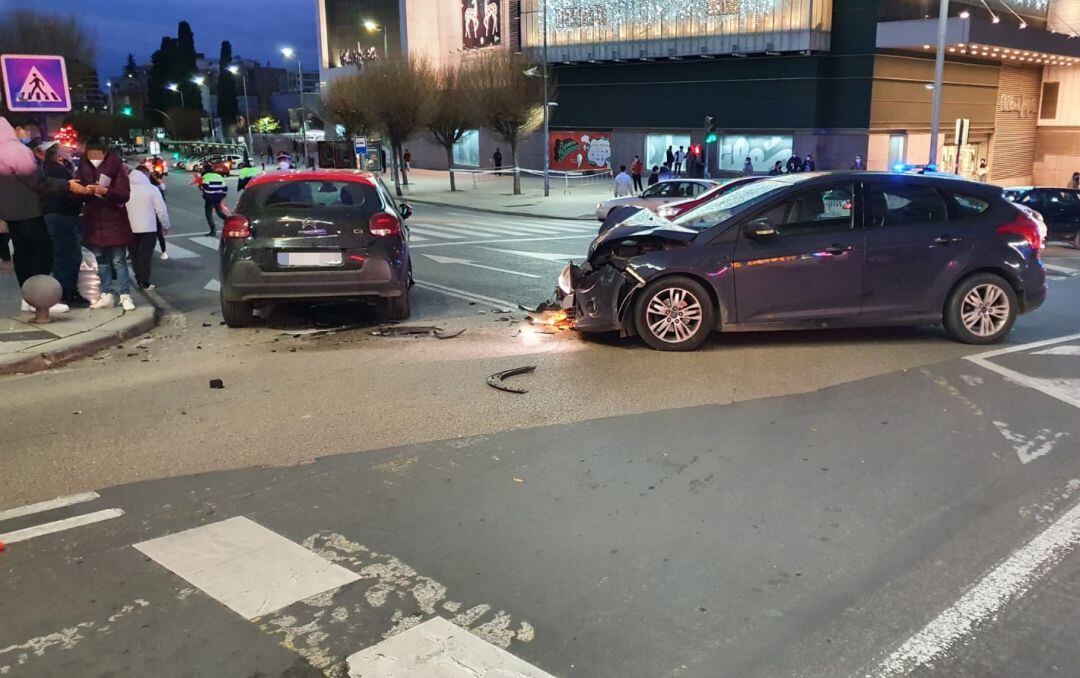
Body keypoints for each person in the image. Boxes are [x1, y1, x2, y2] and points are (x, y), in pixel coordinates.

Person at [0, 117, 88, 314]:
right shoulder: (14, 151)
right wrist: (68, 185)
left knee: (23, 254)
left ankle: (28, 298)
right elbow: (37, 182)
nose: (24, 134)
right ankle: (41, 298)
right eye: (22, 130)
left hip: (10, 212)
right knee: (44, 251)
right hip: (27, 210)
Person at [76, 137, 135, 311]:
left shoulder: (115, 167)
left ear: (105, 153)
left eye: (97, 155)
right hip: (94, 219)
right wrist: (85, 191)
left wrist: (106, 191)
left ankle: (125, 295)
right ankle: (106, 293)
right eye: (90, 155)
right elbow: (78, 190)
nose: (94, 158)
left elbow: (124, 194)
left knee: (119, 260)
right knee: (101, 260)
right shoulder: (83, 167)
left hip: (114, 219)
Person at [40, 142, 86, 306]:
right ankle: (68, 292)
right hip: (63, 217)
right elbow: (68, 196)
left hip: (50, 217)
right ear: (57, 155)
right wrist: (83, 195)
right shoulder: (60, 171)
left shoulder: (44, 170)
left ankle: (63, 292)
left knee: (60, 255)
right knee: (71, 256)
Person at [128, 166, 170, 290]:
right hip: (148, 228)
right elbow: (161, 210)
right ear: (145, 175)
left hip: (130, 227)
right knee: (145, 255)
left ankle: (138, 278)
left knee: (134, 254)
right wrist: (165, 225)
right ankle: (145, 281)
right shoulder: (152, 189)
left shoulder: (125, 189)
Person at [199, 166, 229, 236]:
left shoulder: (205, 177)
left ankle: (213, 230)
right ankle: (229, 221)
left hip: (210, 198)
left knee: (209, 214)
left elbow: (205, 188)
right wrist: (222, 196)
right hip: (218, 197)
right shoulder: (218, 176)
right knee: (219, 212)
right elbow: (225, 188)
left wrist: (204, 193)